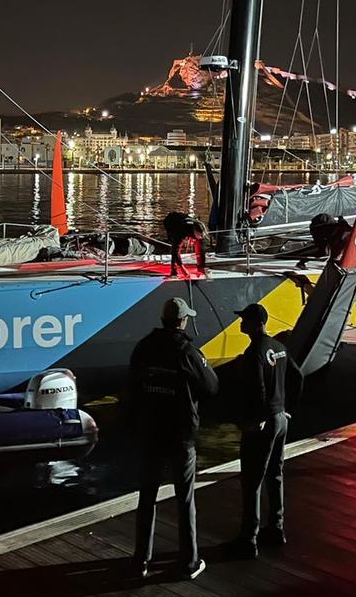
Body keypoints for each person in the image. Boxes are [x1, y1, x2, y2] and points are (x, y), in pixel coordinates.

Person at [129, 296, 218, 581]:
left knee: (147, 498)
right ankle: (189, 562)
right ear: (182, 321)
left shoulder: (143, 347)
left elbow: (133, 385)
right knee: (185, 499)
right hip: (181, 434)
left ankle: (140, 561)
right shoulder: (188, 352)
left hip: (150, 432)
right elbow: (212, 386)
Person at [231, 303, 302, 559]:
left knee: (252, 480)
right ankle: (276, 528)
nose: (240, 323)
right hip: (281, 418)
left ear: (253, 324)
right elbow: (298, 377)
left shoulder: (254, 353)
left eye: (243, 320)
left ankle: (248, 539)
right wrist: (287, 408)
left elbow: (257, 387)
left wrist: (258, 417)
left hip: (264, 422)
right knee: (276, 474)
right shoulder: (280, 348)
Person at [162, 212, 207, 278]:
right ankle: (174, 271)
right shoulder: (182, 231)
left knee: (200, 244)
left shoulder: (201, 230)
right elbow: (175, 250)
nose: (201, 237)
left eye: (202, 235)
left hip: (184, 220)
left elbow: (201, 250)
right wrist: (182, 267)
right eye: (200, 235)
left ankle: (200, 266)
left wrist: (202, 266)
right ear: (195, 231)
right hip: (171, 222)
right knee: (175, 246)